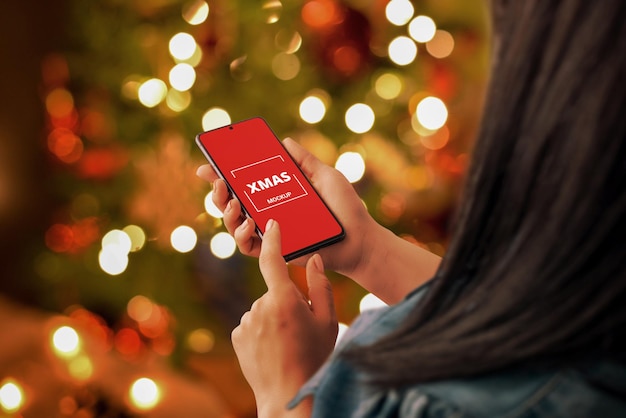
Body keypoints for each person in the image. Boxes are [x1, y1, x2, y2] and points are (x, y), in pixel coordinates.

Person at [196, 0, 626, 416]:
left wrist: (284, 395)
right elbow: (529, 329)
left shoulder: (420, 399)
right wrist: (364, 248)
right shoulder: (587, 319)